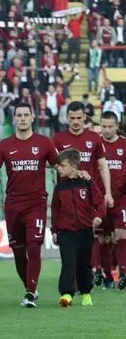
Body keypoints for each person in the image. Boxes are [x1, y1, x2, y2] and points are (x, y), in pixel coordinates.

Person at [0, 103, 59, 308]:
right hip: (13, 203)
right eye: (19, 115)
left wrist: (78, 173)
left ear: (33, 117)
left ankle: (29, 293)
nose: (23, 118)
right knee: (17, 250)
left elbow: (60, 165)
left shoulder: (44, 143)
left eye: (27, 114)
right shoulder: (4, 145)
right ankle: (30, 286)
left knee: (34, 246)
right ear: (14, 119)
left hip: (37, 202)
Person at [52, 101, 114, 289]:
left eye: (79, 118)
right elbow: (53, 163)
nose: (76, 122)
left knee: (97, 238)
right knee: (71, 244)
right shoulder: (58, 138)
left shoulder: (94, 138)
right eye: (72, 118)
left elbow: (103, 165)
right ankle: (75, 284)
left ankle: (92, 276)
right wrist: (71, 171)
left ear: (85, 117)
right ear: (67, 118)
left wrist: (108, 193)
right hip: (66, 196)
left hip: (88, 196)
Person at [51, 148, 105, 307]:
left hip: (85, 231)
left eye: (62, 165)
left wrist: (99, 217)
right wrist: (54, 230)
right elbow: (55, 210)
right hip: (66, 232)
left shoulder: (87, 183)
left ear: (73, 167)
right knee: (68, 263)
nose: (59, 168)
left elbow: (99, 202)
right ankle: (66, 294)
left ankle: (86, 293)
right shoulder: (59, 188)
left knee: (84, 264)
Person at [98, 111, 126, 290]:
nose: (107, 130)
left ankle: (123, 273)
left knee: (122, 234)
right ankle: (107, 276)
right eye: (104, 126)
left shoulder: (124, 145)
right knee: (103, 238)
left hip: (122, 198)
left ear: (116, 126)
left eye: (110, 126)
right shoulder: (96, 145)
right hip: (100, 199)